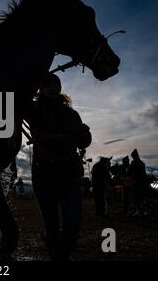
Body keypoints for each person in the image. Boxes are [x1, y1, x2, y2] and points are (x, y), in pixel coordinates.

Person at [24, 73, 92, 261]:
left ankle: (59, 254)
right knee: (52, 226)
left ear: (60, 88)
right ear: (40, 89)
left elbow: (83, 143)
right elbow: (18, 99)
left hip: (69, 174)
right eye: (48, 86)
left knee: (73, 223)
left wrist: (85, 134)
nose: (52, 88)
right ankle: (57, 256)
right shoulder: (34, 109)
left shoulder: (72, 114)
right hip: (44, 175)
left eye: (55, 85)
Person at [129, 149, 149, 215]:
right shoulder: (141, 163)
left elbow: (132, 172)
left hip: (136, 182)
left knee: (136, 197)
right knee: (141, 197)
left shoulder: (134, 163)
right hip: (141, 182)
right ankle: (142, 210)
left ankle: (139, 210)